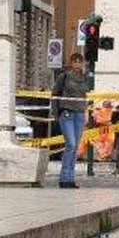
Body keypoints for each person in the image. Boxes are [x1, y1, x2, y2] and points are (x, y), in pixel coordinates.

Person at [50, 53, 90, 189]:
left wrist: (86, 112)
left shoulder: (84, 78)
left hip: (79, 113)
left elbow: (84, 96)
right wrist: (56, 113)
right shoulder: (64, 76)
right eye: (75, 61)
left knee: (76, 147)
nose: (78, 64)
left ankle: (70, 179)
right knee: (71, 144)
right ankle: (64, 177)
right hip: (66, 112)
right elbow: (55, 94)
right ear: (71, 63)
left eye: (80, 61)